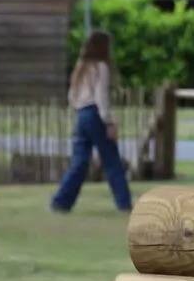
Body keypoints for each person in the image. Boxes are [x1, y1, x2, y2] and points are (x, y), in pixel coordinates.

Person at [49, 27, 133, 214]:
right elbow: (101, 96)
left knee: (79, 162)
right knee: (112, 161)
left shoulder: (81, 67)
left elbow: (72, 96)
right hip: (95, 114)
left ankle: (60, 202)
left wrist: (79, 109)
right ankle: (124, 203)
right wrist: (108, 122)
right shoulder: (101, 67)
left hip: (81, 114)